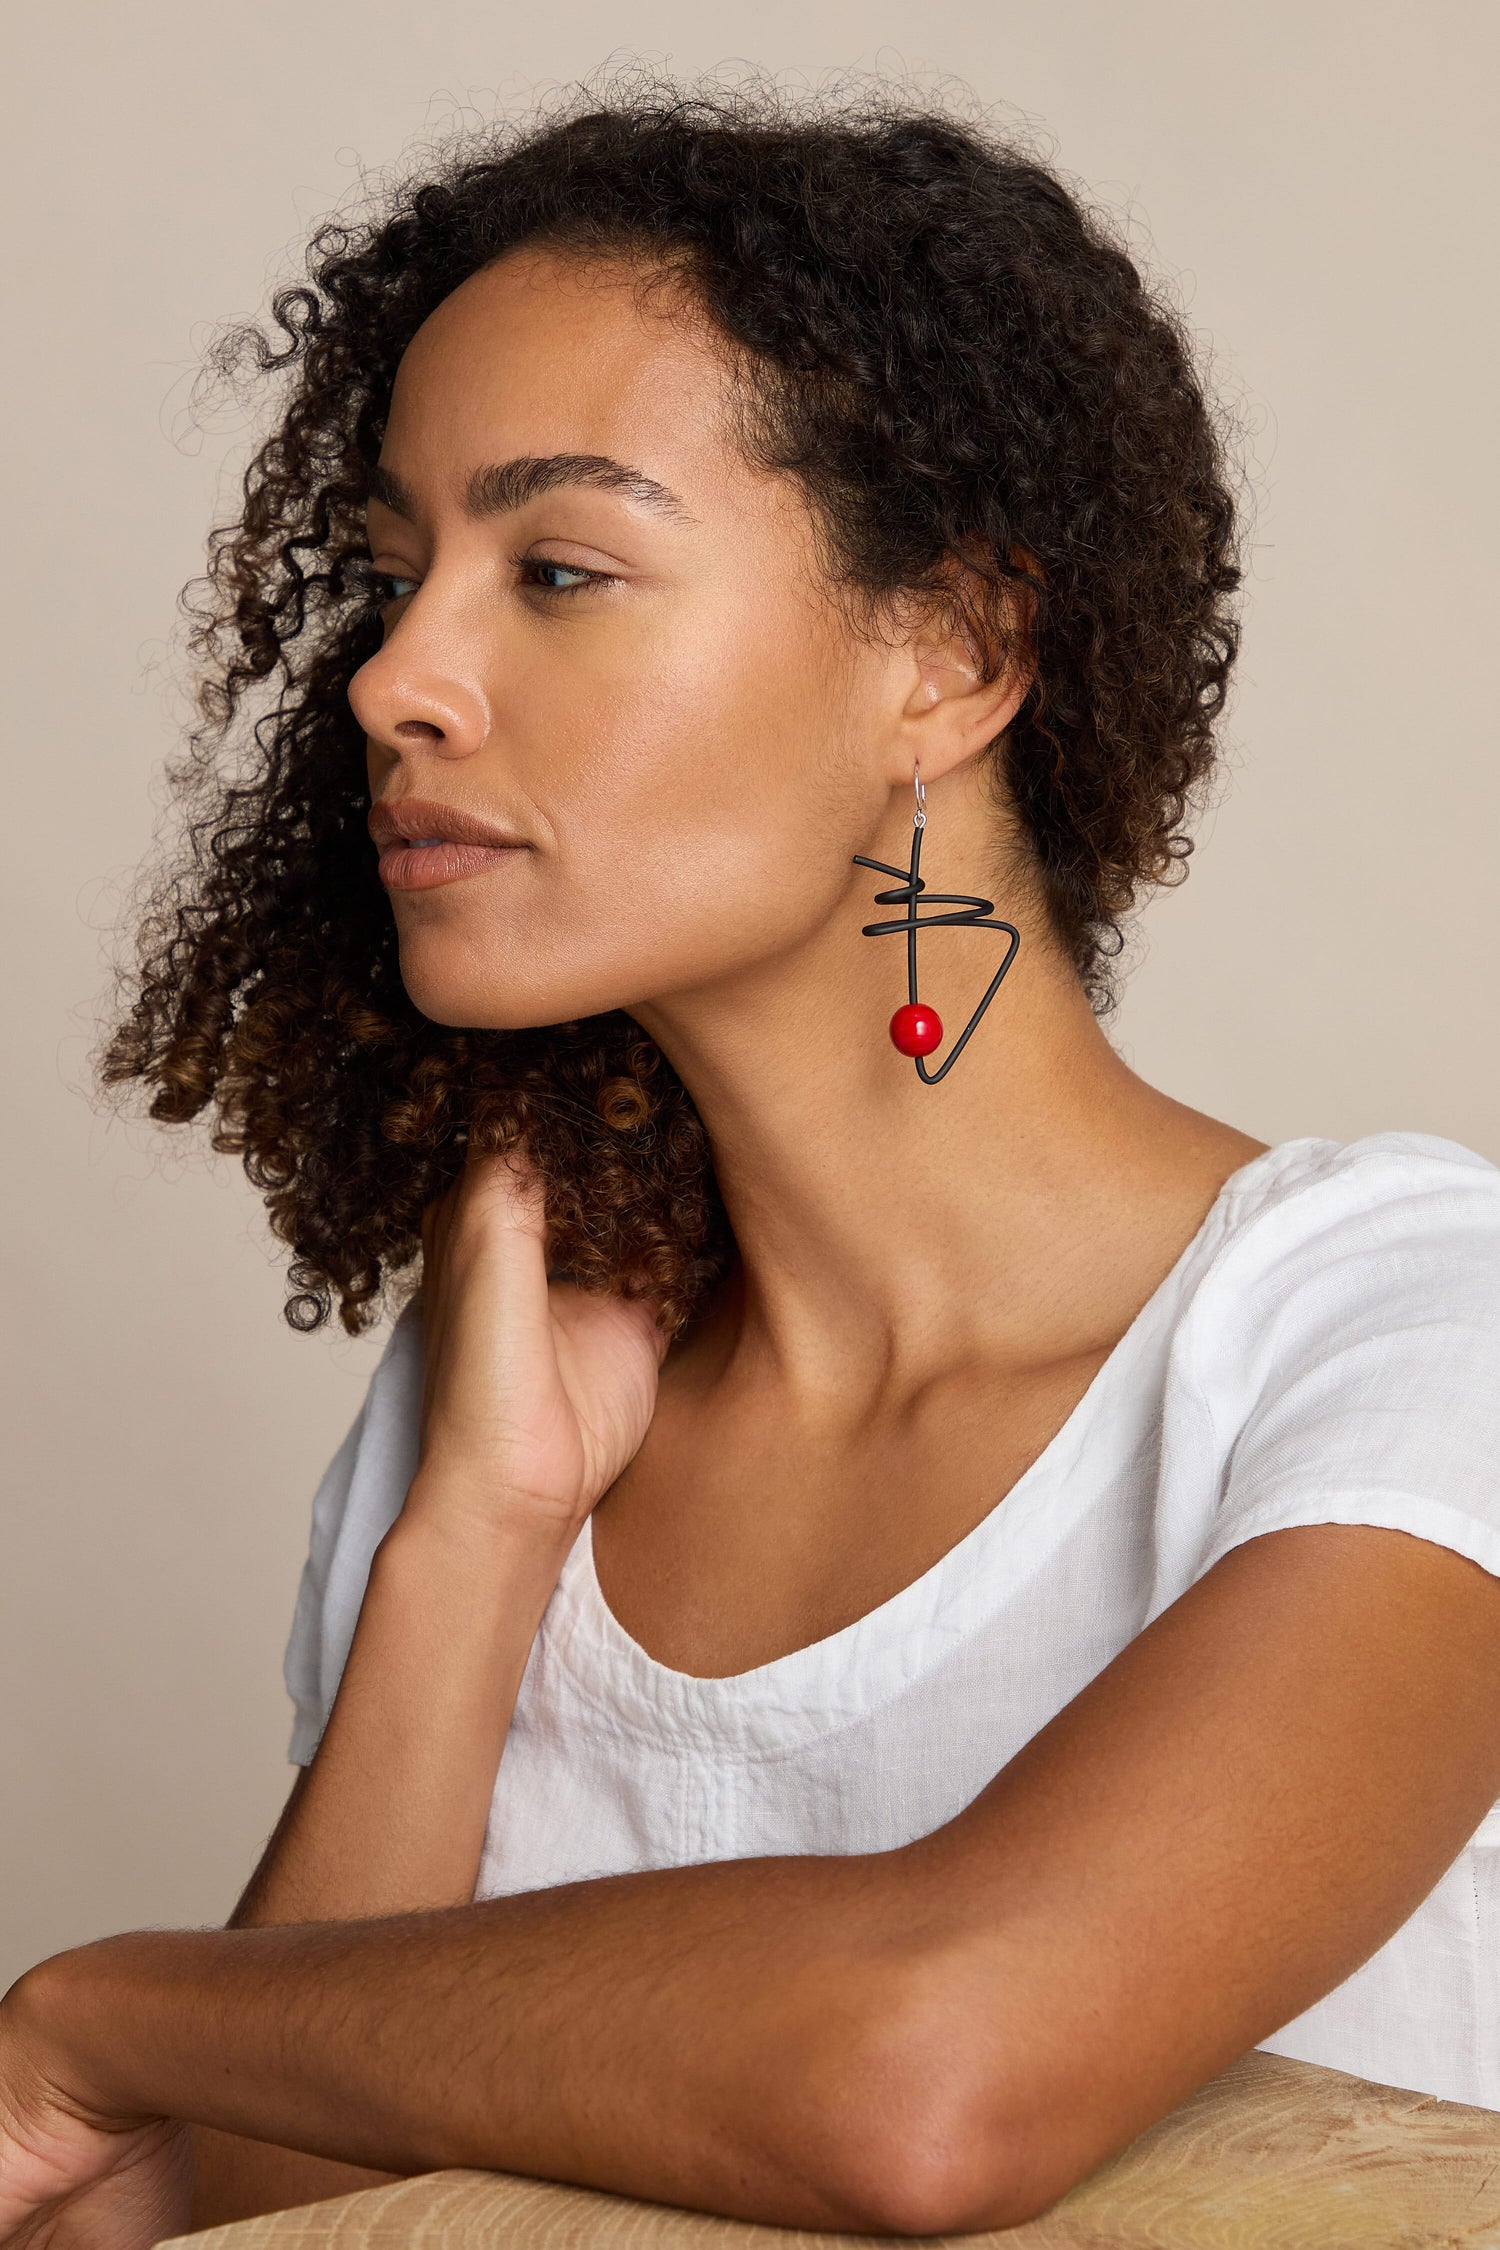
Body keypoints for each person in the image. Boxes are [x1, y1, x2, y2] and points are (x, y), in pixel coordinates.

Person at [5, 73, 1500, 2248]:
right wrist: (475, 1548)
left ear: (955, 651)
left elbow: (942, 2071)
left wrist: (103, 2016)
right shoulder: (490, 1449)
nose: (399, 680)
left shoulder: (1401, 1334)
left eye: (564, 568)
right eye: (394, 576)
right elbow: (294, 2226)